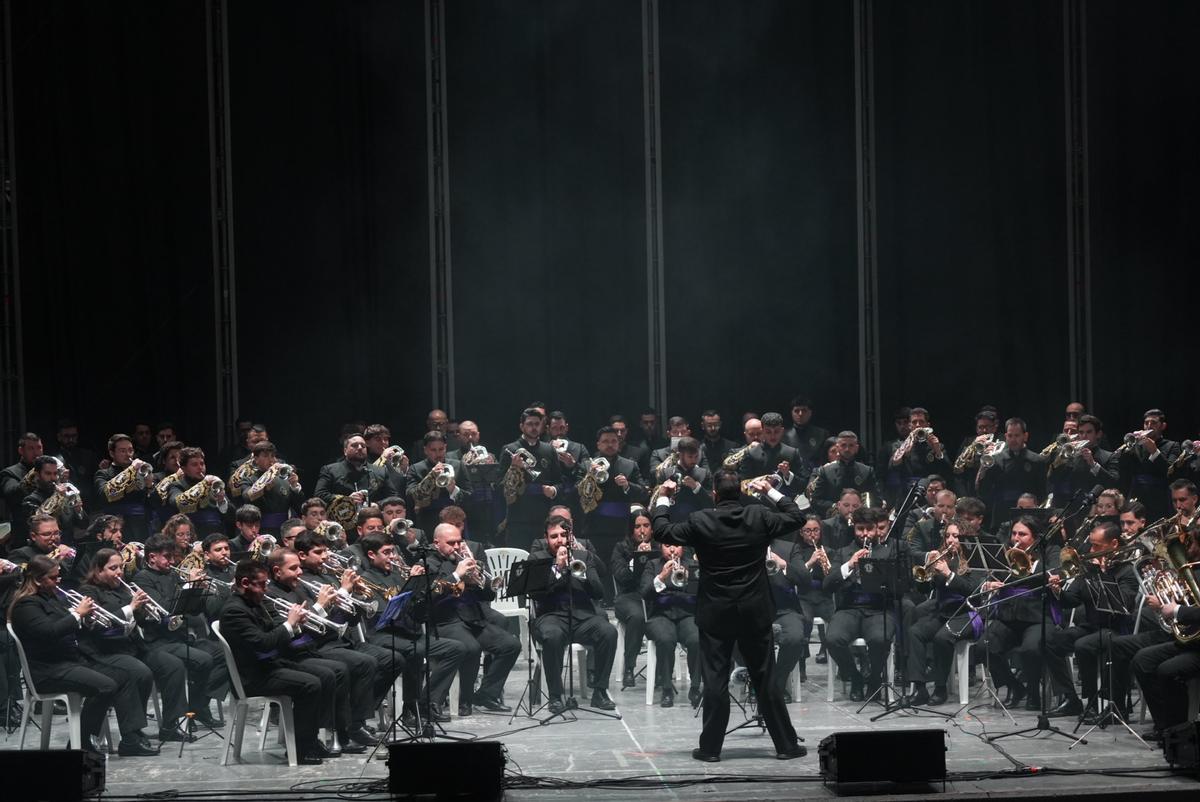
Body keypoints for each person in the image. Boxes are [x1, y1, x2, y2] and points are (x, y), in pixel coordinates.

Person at [651, 469, 805, 762]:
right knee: (765, 678)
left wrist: (664, 498)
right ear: (741, 494)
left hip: (716, 611)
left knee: (715, 680)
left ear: (714, 494)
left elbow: (661, 530)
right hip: (754, 610)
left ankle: (710, 749)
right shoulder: (758, 515)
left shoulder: (701, 520)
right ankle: (786, 745)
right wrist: (770, 491)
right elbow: (797, 517)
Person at [8, 554, 158, 755]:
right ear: (37, 579)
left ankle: (130, 739)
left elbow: (71, 627)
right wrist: (77, 614)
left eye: (59, 576)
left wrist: (87, 619)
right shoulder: (26, 606)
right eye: (53, 577)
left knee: (126, 675)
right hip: (48, 670)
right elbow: (49, 633)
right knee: (105, 686)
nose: (58, 581)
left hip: (72, 661)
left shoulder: (54, 597)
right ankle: (82, 740)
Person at [218, 559, 333, 764]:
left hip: (268, 666)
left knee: (324, 675)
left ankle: (310, 739)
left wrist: (296, 625)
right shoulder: (234, 610)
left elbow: (273, 632)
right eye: (261, 584)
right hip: (252, 677)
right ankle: (300, 749)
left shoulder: (255, 602)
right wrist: (289, 623)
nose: (266, 589)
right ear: (245, 583)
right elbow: (263, 643)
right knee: (310, 684)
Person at [425, 523, 520, 714]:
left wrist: (478, 578)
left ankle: (486, 694)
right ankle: (463, 700)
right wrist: (456, 575)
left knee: (511, 645)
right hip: (445, 621)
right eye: (451, 543)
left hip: (472, 618)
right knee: (472, 648)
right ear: (437, 543)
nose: (457, 547)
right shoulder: (428, 563)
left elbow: (489, 596)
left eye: (459, 542)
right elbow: (431, 596)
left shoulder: (466, 560)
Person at [528, 515, 618, 713]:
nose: (559, 540)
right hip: (550, 615)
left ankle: (600, 692)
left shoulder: (583, 556)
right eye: (554, 536)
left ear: (570, 536)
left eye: (563, 535)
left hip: (582, 615)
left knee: (609, 632)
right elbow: (535, 593)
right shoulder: (537, 559)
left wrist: (581, 572)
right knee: (552, 636)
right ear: (546, 538)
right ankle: (555, 696)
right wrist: (559, 569)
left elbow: (599, 592)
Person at [823, 507, 904, 703]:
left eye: (869, 529)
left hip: (878, 608)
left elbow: (901, 587)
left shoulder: (889, 551)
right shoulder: (843, 553)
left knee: (879, 639)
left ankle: (875, 679)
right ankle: (855, 677)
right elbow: (827, 585)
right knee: (833, 639)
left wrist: (877, 571)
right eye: (860, 529)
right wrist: (849, 565)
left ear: (877, 529)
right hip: (849, 608)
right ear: (854, 528)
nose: (865, 534)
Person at [903, 519, 984, 705]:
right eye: (947, 535)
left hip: (968, 612)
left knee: (942, 637)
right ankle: (920, 687)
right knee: (915, 632)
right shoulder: (943, 557)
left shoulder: (976, 559)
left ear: (965, 538)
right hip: (944, 611)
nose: (950, 540)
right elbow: (924, 590)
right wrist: (926, 575)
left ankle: (940, 688)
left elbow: (974, 590)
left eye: (955, 536)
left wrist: (949, 574)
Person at [640, 539, 701, 708]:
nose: (672, 549)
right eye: (667, 546)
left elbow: (704, 594)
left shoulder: (693, 565)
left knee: (697, 638)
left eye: (677, 545)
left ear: (683, 548)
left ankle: (695, 688)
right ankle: (666, 689)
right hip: (660, 615)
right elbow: (644, 593)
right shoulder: (652, 565)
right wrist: (661, 577)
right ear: (661, 547)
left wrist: (692, 581)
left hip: (686, 614)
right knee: (666, 639)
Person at [610, 510, 653, 689]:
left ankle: (662, 671)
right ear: (631, 529)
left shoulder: (660, 546)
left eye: (646, 526)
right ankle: (629, 667)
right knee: (637, 616)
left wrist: (653, 557)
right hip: (628, 596)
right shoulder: (621, 548)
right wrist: (637, 559)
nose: (642, 530)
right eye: (637, 526)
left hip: (652, 594)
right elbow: (621, 577)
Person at [808, 431, 881, 516]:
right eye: (843, 445)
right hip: (833, 521)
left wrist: (861, 509)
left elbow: (877, 500)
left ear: (856, 448)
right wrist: (835, 506)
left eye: (851, 445)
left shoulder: (867, 471)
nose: (847, 449)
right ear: (837, 447)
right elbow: (815, 500)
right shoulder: (826, 471)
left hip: (861, 521)